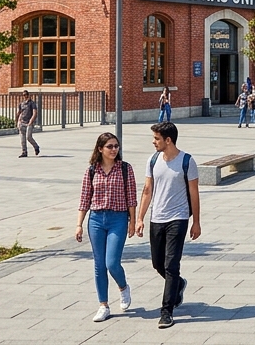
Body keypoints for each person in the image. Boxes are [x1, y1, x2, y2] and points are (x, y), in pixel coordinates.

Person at [134, 122, 200, 330]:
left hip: (178, 218)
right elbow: (147, 190)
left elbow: (194, 193)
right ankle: (178, 285)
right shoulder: (153, 160)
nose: (154, 142)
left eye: (156, 139)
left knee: (171, 265)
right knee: (157, 264)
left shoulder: (187, 161)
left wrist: (196, 222)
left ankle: (166, 311)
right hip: (157, 217)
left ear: (168, 140)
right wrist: (140, 218)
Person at [76, 132, 137, 323]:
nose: (114, 150)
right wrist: (79, 224)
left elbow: (132, 197)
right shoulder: (92, 170)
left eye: (116, 146)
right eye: (109, 146)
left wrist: (133, 221)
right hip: (96, 219)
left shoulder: (125, 169)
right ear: (100, 149)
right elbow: (85, 198)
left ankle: (123, 287)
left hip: (118, 219)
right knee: (99, 264)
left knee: (112, 262)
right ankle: (103, 305)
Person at [16, 89, 40, 158]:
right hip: (22, 122)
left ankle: (36, 147)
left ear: (28, 95)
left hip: (29, 123)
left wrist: (31, 121)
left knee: (28, 137)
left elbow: (35, 113)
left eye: (26, 95)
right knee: (22, 139)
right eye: (23, 95)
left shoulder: (32, 103)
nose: (25, 96)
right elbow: (19, 113)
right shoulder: (21, 104)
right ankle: (24, 152)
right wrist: (18, 121)